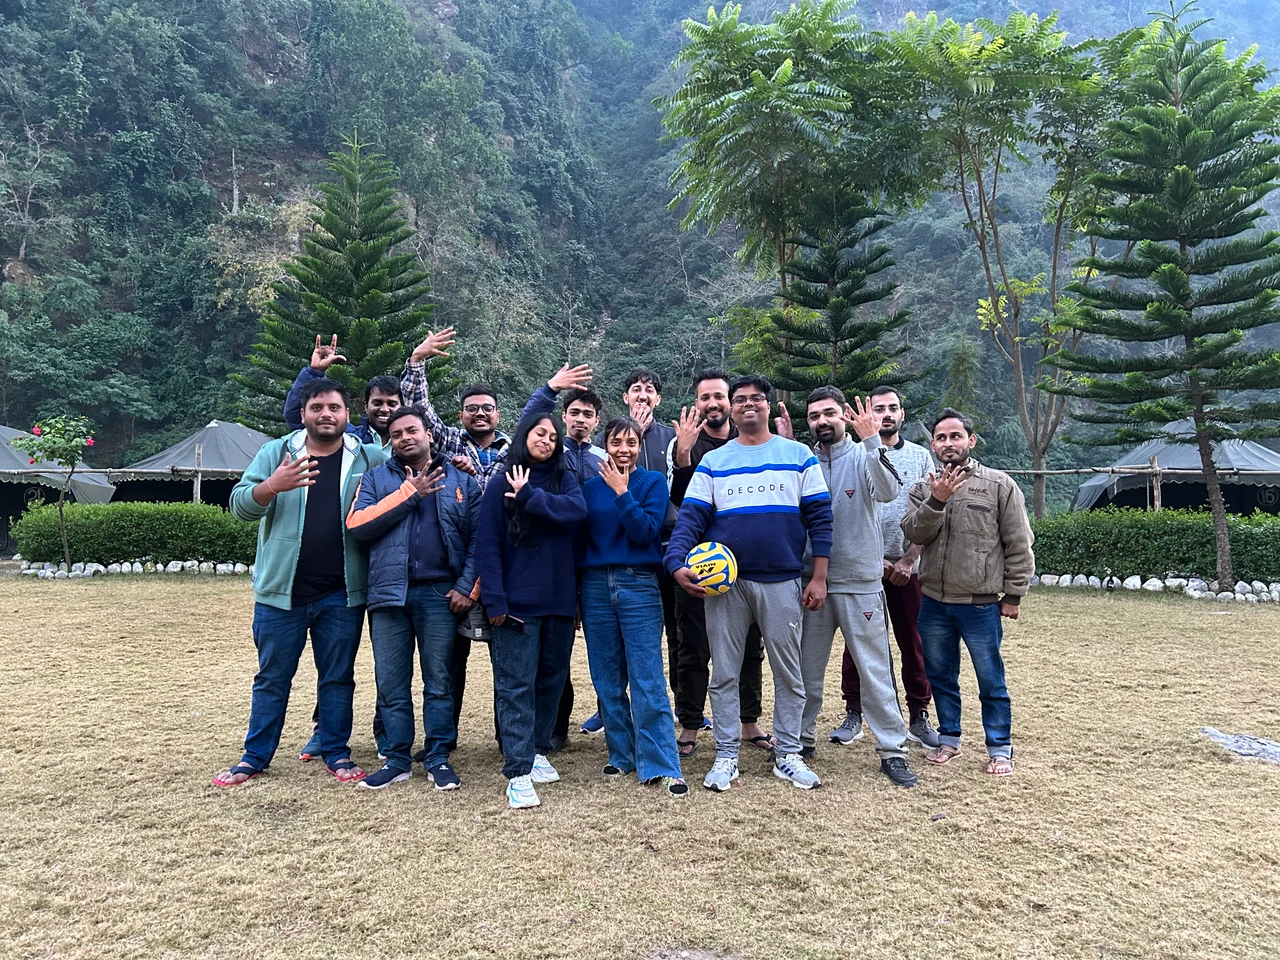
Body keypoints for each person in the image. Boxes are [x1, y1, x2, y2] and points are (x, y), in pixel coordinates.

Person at [213, 378, 388, 787]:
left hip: (342, 594)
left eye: (334, 407)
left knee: (337, 677)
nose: (326, 414)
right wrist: (271, 486)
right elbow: (239, 506)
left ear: (348, 414)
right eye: (317, 407)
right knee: (272, 679)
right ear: (303, 413)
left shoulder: (369, 457)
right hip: (280, 594)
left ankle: (336, 751)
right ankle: (254, 757)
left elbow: (410, 469)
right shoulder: (277, 453)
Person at [665, 374, 834, 793]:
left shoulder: (798, 456)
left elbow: (820, 519)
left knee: (788, 672)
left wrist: (819, 576)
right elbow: (690, 518)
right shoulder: (714, 462)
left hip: (782, 581)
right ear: (732, 408)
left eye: (756, 398)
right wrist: (675, 561)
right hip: (726, 586)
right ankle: (726, 755)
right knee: (724, 672)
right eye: (739, 399)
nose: (747, 404)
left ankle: (788, 753)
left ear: (767, 405)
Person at [345, 408, 483, 790]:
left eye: (412, 430)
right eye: (397, 433)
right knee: (391, 683)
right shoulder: (375, 478)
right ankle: (396, 759)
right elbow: (358, 525)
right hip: (388, 594)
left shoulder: (461, 478)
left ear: (429, 435)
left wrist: (466, 586)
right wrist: (410, 493)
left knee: (440, 681)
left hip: (440, 595)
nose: (406, 437)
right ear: (390, 440)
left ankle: (438, 757)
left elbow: (478, 539)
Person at [792, 387, 918, 788]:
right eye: (814, 416)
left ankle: (892, 750)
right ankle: (800, 740)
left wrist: (871, 441)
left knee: (874, 669)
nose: (822, 422)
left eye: (829, 413)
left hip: (860, 582)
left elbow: (889, 491)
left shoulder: (865, 454)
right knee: (805, 669)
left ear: (844, 415)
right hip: (811, 582)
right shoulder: (803, 459)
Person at [901, 407, 1035, 777]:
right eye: (941, 438)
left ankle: (1000, 748)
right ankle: (949, 740)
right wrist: (937, 500)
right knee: (941, 677)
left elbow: (1019, 542)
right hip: (933, 603)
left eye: (955, 436)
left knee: (991, 680)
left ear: (970, 441)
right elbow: (913, 533)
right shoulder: (923, 488)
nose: (948, 443)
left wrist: (1013, 595)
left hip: (980, 606)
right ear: (932, 445)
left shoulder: (998, 485)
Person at [474, 414, 587, 808]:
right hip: (516, 605)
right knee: (515, 686)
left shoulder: (563, 479)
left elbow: (575, 511)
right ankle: (518, 771)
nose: (547, 441)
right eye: (540, 433)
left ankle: (537, 749)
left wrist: (528, 497)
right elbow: (487, 545)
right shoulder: (500, 482)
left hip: (558, 602)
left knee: (551, 681)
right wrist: (494, 600)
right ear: (524, 436)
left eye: (554, 437)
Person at [578, 416, 689, 798]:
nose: (623, 450)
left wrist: (623, 492)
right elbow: (581, 541)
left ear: (640, 446)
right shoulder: (589, 487)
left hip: (638, 583)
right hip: (595, 586)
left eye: (631, 443)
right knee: (607, 678)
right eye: (616, 442)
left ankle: (661, 763)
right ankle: (621, 753)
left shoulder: (652, 482)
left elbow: (644, 532)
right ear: (604, 445)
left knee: (647, 677)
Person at [667, 368, 769, 759]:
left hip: (746, 565)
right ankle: (690, 725)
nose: (712, 403)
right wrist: (683, 456)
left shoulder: (752, 441)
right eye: (704, 397)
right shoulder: (685, 442)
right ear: (697, 403)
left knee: (749, 648)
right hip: (698, 563)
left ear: (730, 402)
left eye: (719, 396)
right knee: (692, 649)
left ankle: (749, 722)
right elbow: (680, 503)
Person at [831, 385, 940, 748]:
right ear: (867, 415)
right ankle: (854, 712)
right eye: (879, 409)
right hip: (867, 567)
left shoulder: (920, 457)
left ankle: (919, 715)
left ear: (902, 414)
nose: (887, 414)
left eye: (893, 408)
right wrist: (871, 557)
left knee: (913, 642)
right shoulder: (857, 454)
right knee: (857, 644)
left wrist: (909, 559)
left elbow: (931, 511)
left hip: (909, 568)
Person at [520, 362, 608, 749]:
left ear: (596, 421)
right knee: (556, 651)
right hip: (555, 563)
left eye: (588, 414)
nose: (580, 419)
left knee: (605, 648)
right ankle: (555, 727)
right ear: (564, 417)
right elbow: (527, 423)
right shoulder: (550, 453)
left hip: (596, 563)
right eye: (574, 412)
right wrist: (550, 389)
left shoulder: (604, 458)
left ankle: (611, 716)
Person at [599, 367, 679, 736]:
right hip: (619, 556)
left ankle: (677, 709)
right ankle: (608, 713)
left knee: (670, 637)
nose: (642, 394)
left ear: (658, 398)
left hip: (667, 550)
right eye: (636, 388)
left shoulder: (672, 436)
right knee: (612, 646)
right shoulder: (607, 442)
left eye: (649, 389)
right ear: (626, 397)